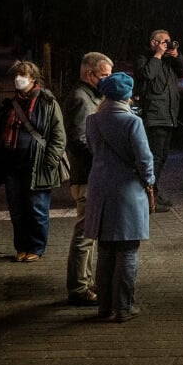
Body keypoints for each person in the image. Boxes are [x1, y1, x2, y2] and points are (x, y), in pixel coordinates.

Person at [85, 72, 155, 322]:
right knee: (127, 250)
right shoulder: (132, 122)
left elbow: (93, 149)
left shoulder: (92, 120)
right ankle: (124, 307)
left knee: (105, 250)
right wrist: (150, 181)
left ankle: (104, 307)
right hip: (127, 191)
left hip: (99, 188)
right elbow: (144, 158)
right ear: (126, 95)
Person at [0, 61, 67, 262]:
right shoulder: (10, 104)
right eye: (15, 75)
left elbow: (58, 136)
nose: (18, 79)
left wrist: (50, 160)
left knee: (37, 208)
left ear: (33, 78)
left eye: (22, 75)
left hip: (37, 163)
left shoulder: (47, 102)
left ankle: (36, 247)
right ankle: (21, 246)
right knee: (17, 209)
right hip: (12, 164)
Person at [62, 51, 112, 306]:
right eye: (104, 75)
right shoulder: (82, 99)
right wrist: (101, 160)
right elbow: (79, 139)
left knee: (89, 233)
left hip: (89, 173)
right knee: (85, 234)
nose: (108, 80)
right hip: (86, 175)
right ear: (89, 74)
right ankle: (79, 287)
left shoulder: (89, 96)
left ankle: (85, 283)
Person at [133, 29, 183, 210]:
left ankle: (154, 192)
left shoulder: (169, 61)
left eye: (169, 41)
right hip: (154, 115)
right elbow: (147, 74)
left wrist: (176, 55)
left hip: (169, 114)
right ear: (153, 43)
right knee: (154, 158)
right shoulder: (143, 58)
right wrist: (157, 55)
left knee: (162, 157)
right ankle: (149, 197)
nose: (168, 45)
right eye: (164, 42)